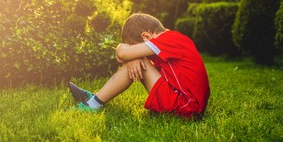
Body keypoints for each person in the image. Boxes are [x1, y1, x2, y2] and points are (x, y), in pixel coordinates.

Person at [69, 13, 210, 118]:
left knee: (140, 61)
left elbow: (123, 53)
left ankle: (93, 104)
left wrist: (132, 55)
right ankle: (95, 98)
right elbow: (123, 55)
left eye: (135, 47)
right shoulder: (172, 40)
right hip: (188, 103)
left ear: (146, 36)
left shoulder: (168, 39)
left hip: (187, 107)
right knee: (137, 59)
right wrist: (132, 55)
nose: (134, 52)